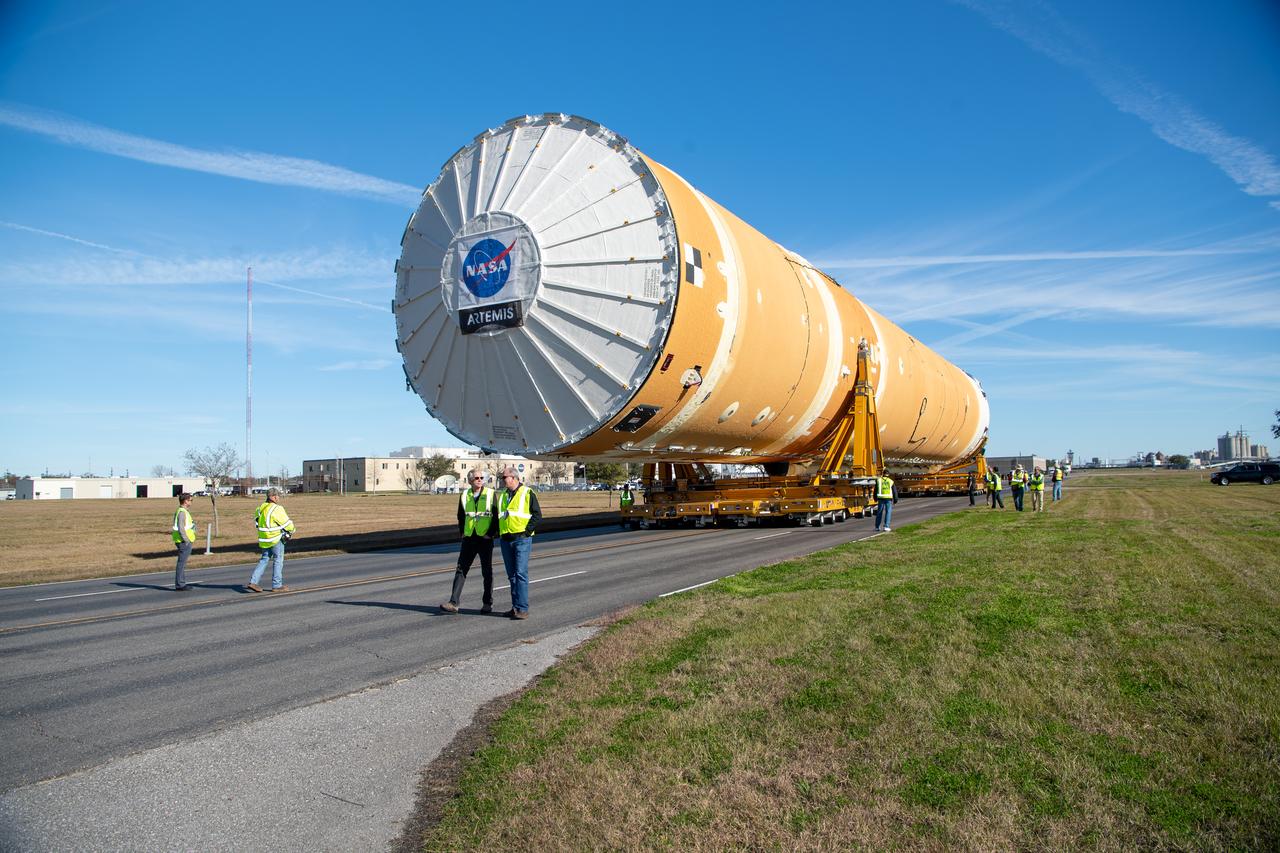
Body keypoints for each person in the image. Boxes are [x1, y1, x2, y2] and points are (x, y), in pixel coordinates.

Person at [441, 470, 498, 614]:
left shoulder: (491, 494)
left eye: (481, 478)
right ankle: (454, 602)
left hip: (485, 539)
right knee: (461, 569)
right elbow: (461, 516)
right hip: (469, 538)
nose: (479, 480)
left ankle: (487, 603)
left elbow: (496, 516)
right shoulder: (465, 495)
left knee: (487, 572)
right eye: (476, 478)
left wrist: (491, 534)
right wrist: (463, 533)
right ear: (470, 480)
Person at [497, 466, 541, 619]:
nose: (502, 480)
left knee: (521, 573)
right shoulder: (503, 495)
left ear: (514, 478)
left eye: (504, 477)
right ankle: (515, 607)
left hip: (521, 539)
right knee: (512, 575)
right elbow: (501, 516)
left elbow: (537, 515)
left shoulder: (527, 493)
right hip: (506, 539)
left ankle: (522, 609)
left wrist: (526, 532)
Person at [247, 487, 295, 592]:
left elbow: (257, 523)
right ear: (273, 497)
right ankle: (277, 585)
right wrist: (292, 530)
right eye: (277, 496)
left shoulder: (259, 509)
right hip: (276, 539)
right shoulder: (277, 509)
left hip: (264, 539)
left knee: (264, 560)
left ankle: (253, 582)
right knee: (278, 560)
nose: (278, 498)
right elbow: (287, 524)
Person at [171, 492, 196, 591]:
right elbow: (181, 528)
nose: (191, 502)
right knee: (181, 563)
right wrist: (186, 540)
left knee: (182, 563)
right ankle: (180, 584)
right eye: (190, 500)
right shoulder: (182, 512)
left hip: (183, 540)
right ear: (185, 501)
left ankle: (181, 583)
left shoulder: (182, 511)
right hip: (183, 541)